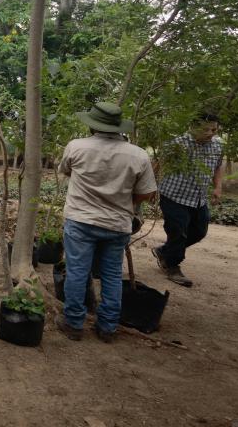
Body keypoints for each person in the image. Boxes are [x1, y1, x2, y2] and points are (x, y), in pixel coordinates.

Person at [55, 102, 157, 343]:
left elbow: (67, 171)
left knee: (78, 272)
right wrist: (127, 201)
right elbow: (147, 193)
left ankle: (74, 323)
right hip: (117, 223)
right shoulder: (139, 154)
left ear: (92, 126)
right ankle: (108, 327)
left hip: (80, 220)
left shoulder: (76, 147)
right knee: (111, 275)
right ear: (119, 127)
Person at [152, 112, 223, 287]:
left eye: (213, 129)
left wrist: (218, 187)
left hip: (198, 198)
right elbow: (158, 164)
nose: (210, 133)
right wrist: (151, 187)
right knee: (178, 231)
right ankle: (172, 265)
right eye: (205, 129)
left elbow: (218, 166)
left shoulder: (218, 145)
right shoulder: (177, 144)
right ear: (193, 128)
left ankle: (164, 251)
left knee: (199, 231)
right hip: (173, 196)